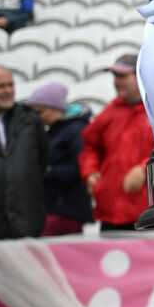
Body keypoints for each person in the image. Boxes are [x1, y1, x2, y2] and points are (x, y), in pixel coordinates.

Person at [79, 53, 154, 232]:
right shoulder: (110, 112)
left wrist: (146, 168)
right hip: (111, 213)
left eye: (122, 76)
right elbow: (91, 147)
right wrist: (90, 172)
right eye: (115, 76)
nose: (116, 81)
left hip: (149, 213)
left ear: (141, 76)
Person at [27, 82, 93, 236]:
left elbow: (79, 169)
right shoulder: (57, 130)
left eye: (39, 111)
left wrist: (45, 171)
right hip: (56, 208)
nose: (36, 117)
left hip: (64, 210)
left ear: (51, 108)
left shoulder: (75, 130)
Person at [0, 65, 48, 239]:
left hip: (25, 222)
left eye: (10, 85)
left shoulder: (29, 120)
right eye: (0, 86)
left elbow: (42, 161)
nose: (7, 91)